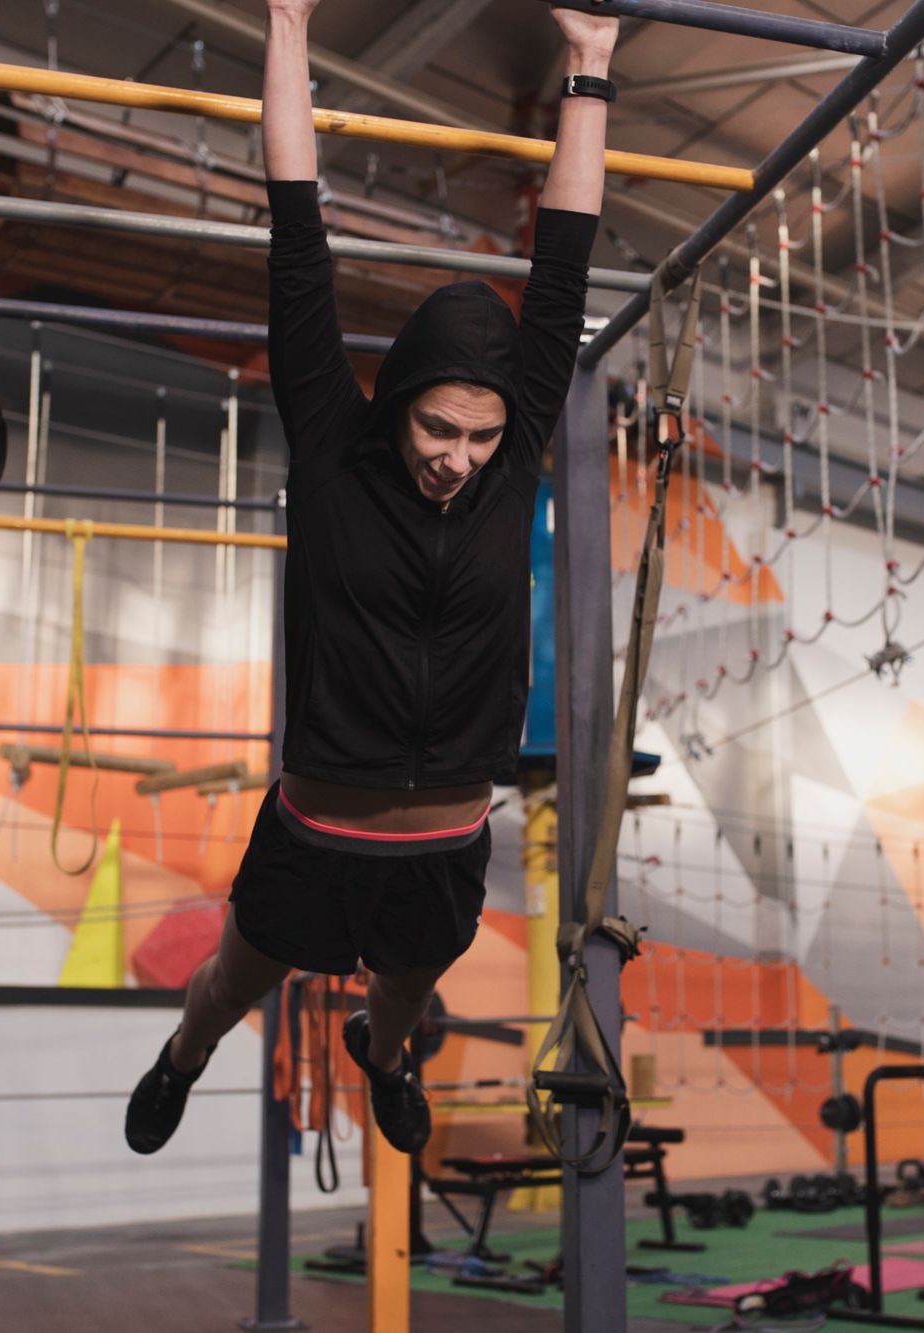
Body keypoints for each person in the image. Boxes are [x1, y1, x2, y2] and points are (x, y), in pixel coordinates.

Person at [127, 0, 617, 1156]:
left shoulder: (512, 462)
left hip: (444, 837)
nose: (459, 458)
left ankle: (382, 1059)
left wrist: (589, 67)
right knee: (230, 985)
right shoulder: (334, 450)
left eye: (482, 439)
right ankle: (178, 1058)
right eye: (440, 429)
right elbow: (295, 235)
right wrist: (287, 22)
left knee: (402, 1001)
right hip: (316, 822)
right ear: (401, 405)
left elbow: (565, 259)